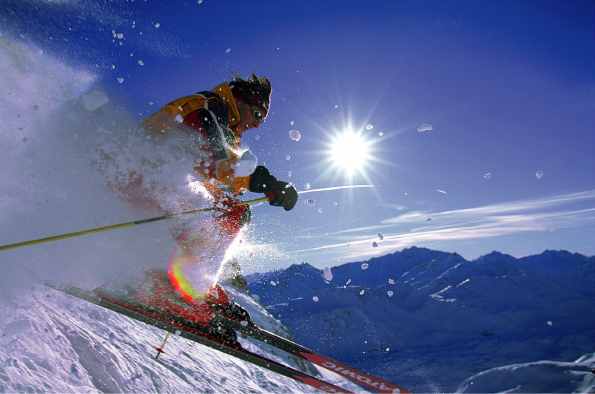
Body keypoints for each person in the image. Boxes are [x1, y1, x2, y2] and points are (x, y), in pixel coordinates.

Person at [131, 72, 297, 332]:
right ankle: (174, 290)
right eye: (257, 115)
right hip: (138, 175)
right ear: (241, 102)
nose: (257, 124)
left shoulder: (223, 122)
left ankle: (193, 283)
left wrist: (231, 196)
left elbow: (211, 174)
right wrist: (265, 182)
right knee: (228, 214)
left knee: (232, 211)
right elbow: (219, 162)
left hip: (151, 179)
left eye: (262, 119)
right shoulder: (207, 110)